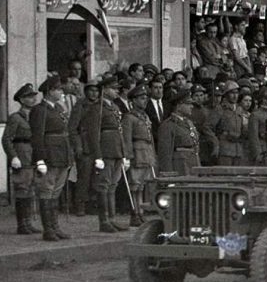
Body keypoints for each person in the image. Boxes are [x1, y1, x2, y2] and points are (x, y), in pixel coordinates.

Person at [81, 75, 129, 234]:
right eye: (113, 88)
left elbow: (120, 131)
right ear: (105, 90)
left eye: (117, 88)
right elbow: (93, 134)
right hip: (105, 151)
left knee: (112, 186)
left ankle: (112, 219)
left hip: (115, 150)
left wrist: (123, 153)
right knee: (103, 185)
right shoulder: (96, 108)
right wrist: (98, 155)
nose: (116, 91)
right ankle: (104, 220)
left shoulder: (114, 107)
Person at [30, 74, 74, 242]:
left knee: (56, 192)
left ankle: (55, 227)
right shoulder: (39, 110)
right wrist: (39, 159)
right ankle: (48, 229)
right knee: (46, 191)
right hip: (49, 155)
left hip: (62, 155)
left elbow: (65, 133)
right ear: (49, 91)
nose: (61, 92)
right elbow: (37, 136)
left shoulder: (58, 109)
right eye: (58, 89)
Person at [2, 83, 40, 235]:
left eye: (33, 96)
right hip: (21, 154)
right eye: (28, 97)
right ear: (21, 100)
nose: (32, 99)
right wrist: (13, 157)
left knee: (30, 190)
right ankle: (21, 224)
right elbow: (6, 139)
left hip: (32, 155)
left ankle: (28, 222)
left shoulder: (35, 116)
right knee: (22, 189)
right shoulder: (15, 118)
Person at [121, 84, 157, 226]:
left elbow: (150, 138)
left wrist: (153, 155)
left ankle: (140, 212)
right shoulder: (129, 117)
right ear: (134, 100)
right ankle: (134, 212)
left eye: (146, 98)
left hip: (146, 153)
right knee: (134, 185)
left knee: (141, 186)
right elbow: (127, 138)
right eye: (141, 98)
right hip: (136, 152)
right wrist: (127, 157)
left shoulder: (145, 116)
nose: (145, 100)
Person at [157, 92, 201, 174]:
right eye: (188, 104)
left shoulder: (189, 123)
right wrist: (168, 175)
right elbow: (165, 154)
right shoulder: (168, 125)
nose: (191, 107)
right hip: (180, 167)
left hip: (193, 165)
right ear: (178, 106)